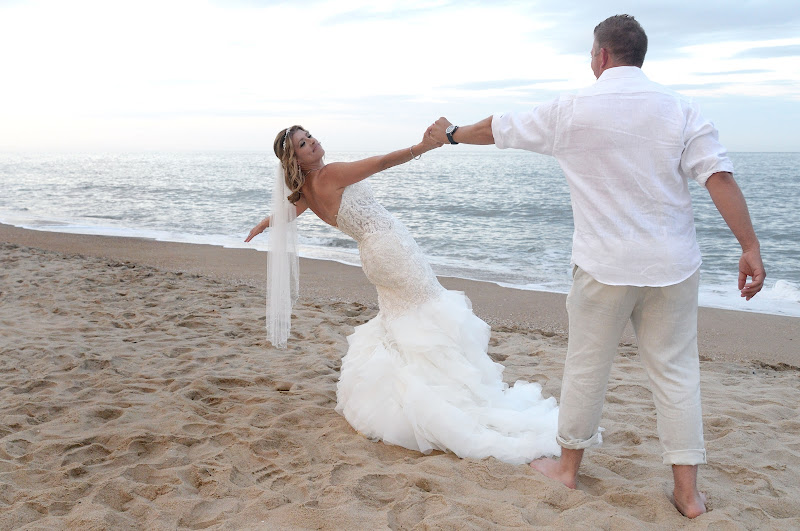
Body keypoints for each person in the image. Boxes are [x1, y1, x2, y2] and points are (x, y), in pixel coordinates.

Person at [429, 14, 765, 519]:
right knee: (676, 374)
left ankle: (567, 470)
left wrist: (452, 133)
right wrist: (749, 245)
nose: (589, 63)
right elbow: (718, 176)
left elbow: (499, 128)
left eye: (591, 55)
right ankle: (688, 494)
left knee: (587, 366)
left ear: (603, 55)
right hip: (671, 264)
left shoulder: (572, 110)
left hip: (602, 265)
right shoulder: (681, 109)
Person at [245, 125, 561, 464]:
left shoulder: (307, 190)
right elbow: (380, 162)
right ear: (296, 158)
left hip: (374, 254)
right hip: (390, 248)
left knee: (405, 319)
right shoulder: (331, 174)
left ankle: (408, 392)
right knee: (428, 313)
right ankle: (442, 396)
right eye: (303, 144)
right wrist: (421, 147)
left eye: (310, 136)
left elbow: (289, 213)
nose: (313, 143)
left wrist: (265, 223)